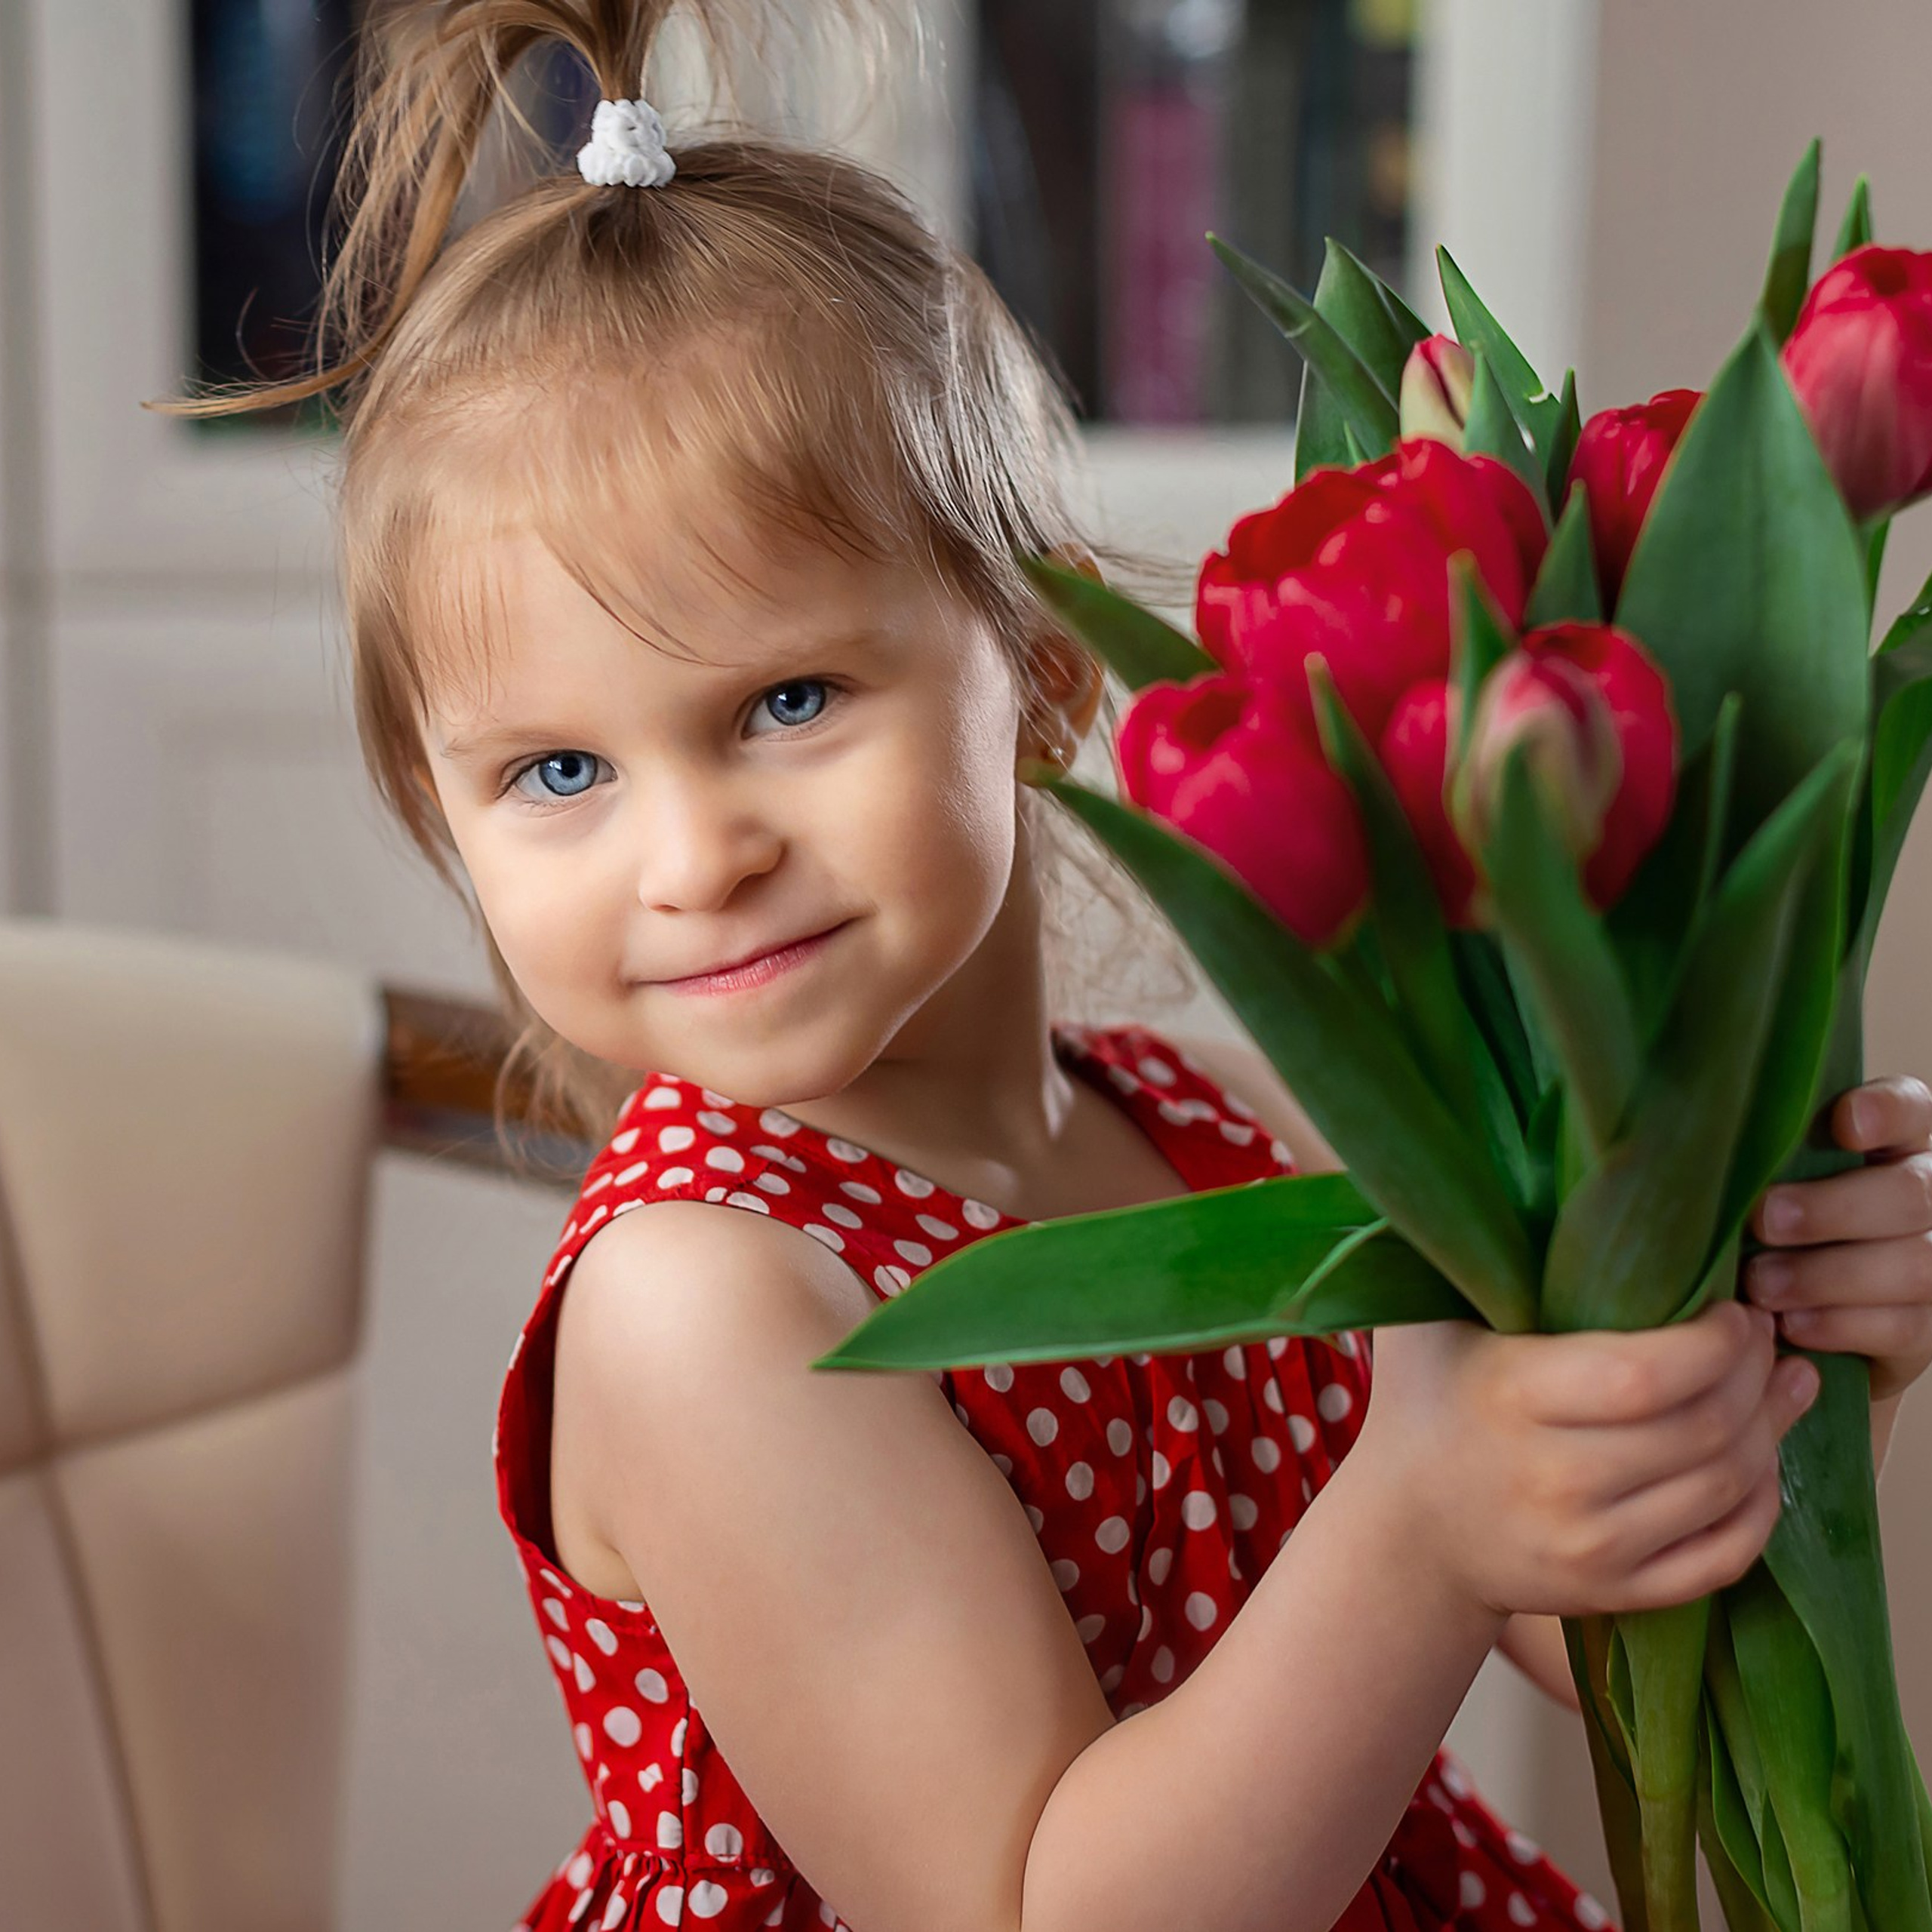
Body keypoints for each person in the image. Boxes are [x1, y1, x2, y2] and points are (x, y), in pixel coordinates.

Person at [166, 3, 1932, 1927]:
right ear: (448, 819)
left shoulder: (1214, 1119)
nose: (695, 855)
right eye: (559, 770)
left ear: (1041, 672)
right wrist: (1417, 1525)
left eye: (784, 698)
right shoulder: (706, 1305)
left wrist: (1757, 1365)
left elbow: (1561, 1597)